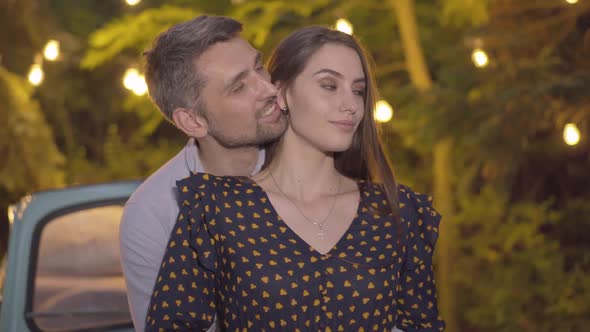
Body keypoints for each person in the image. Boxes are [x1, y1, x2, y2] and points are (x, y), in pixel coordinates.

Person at [146, 26, 446, 331]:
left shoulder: (398, 210)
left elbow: (420, 327)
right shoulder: (216, 208)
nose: (352, 105)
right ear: (283, 94)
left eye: (358, 90)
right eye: (329, 85)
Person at [119, 16, 288, 331]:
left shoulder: (314, 158)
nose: (268, 88)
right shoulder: (154, 215)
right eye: (239, 86)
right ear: (193, 122)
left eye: (260, 66)